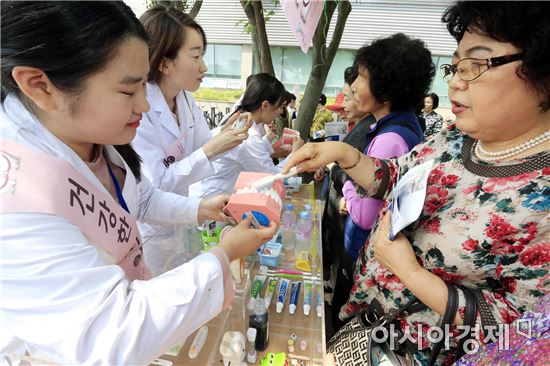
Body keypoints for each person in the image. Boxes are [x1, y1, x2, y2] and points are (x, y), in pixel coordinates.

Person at [0, 2, 277, 365]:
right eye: (128, 91)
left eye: (143, 87)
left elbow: (141, 200)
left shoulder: (90, 134)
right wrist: (223, 255)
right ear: (40, 86)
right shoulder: (18, 194)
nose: (145, 106)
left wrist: (200, 209)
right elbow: (109, 336)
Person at [284, 2, 550, 364]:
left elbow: (519, 327)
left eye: (476, 64)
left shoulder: (542, 196)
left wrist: (408, 272)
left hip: (406, 351)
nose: (456, 81)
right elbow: (396, 177)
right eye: (455, 66)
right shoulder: (456, 138)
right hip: (362, 321)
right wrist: (342, 154)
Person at [328, 34, 432, 336]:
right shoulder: (403, 125)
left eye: (362, 77)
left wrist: (346, 183)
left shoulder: (388, 140)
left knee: (343, 322)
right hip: (374, 252)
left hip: (365, 252)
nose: (355, 86)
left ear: (386, 90)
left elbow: (362, 215)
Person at [132, 6, 249, 275]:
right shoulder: (140, 108)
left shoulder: (184, 98)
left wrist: (226, 135)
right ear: (164, 62)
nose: (204, 67)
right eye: (196, 56)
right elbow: (156, 183)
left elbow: (202, 145)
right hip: (151, 231)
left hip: (182, 219)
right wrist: (210, 149)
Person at [190, 73, 304, 198]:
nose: (281, 112)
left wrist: (271, 146)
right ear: (265, 105)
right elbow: (272, 179)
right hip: (209, 200)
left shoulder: (240, 121)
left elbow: (247, 156)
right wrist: (296, 153)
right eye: (281, 107)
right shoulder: (247, 135)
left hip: (207, 195)